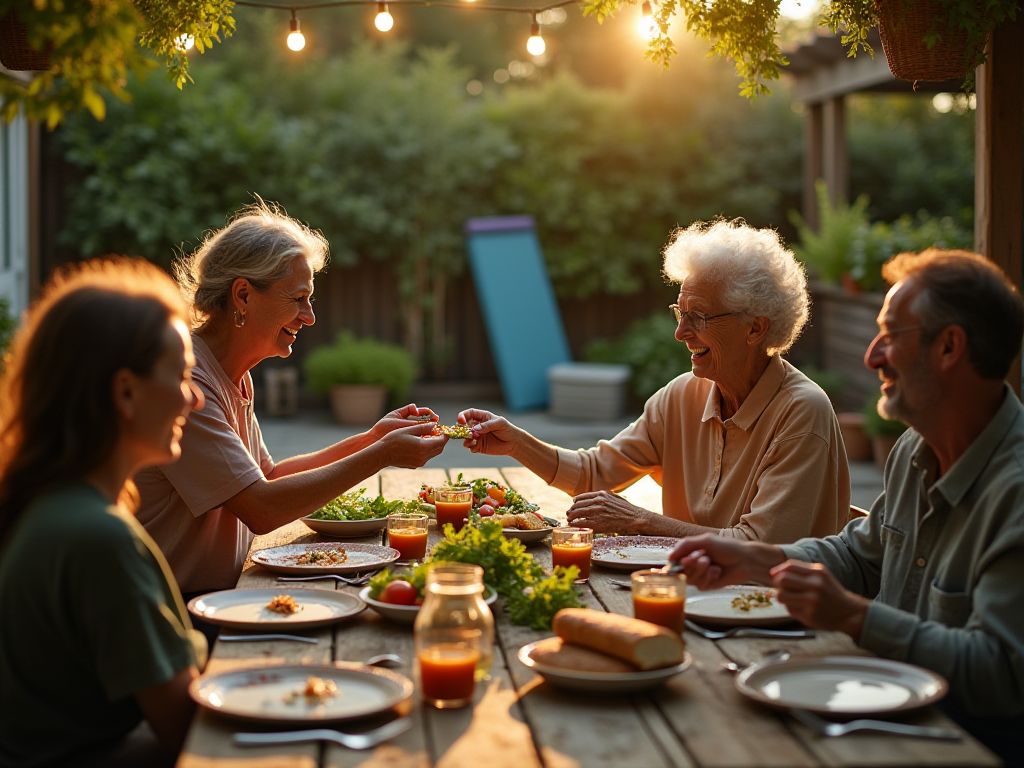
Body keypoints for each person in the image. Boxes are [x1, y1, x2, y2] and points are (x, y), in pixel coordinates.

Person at [670, 248, 1024, 762]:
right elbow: (861, 556)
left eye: (890, 336)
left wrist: (856, 617)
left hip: (964, 747)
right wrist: (755, 561)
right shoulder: (913, 451)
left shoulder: (1014, 491)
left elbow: (1002, 673)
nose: (871, 355)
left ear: (949, 347)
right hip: (875, 715)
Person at [459, 219, 849, 542]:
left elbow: (760, 547)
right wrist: (516, 442)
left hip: (778, 618)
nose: (680, 332)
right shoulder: (681, 397)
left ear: (755, 328)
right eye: (678, 313)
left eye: (698, 316)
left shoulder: (801, 413)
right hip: (693, 596)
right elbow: (595, 474)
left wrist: (640, 522)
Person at [136, 202, 447, 595]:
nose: (309, 316)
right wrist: (381, 455)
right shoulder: (190, 382)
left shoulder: (233, 373)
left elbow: (269, 477)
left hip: (221, 597)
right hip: (177, 614)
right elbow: (262, 508)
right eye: (298, 298)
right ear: (243, 296)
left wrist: (371, 438)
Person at [0, 258, 207, 767]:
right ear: (125, 392)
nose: (195, 399)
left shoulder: (52, 503)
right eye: (181, 376)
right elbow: (188, 732)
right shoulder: (97, 537)